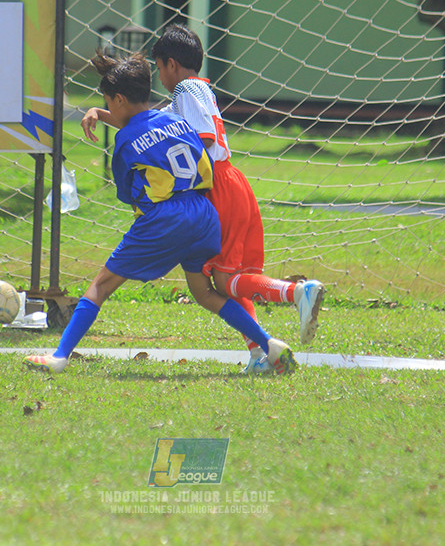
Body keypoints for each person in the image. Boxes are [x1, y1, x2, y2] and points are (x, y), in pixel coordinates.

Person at [25, 51, 297, 375]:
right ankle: (269, 345)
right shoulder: (177, 120)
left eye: (108, 102)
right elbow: (204, 165)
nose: (109, 108)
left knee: (100, 286)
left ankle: (59, 356)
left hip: (165, 218)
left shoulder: (124, 140)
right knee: (204, 293)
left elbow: (127, 193)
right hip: (204, 214)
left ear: (121, 99)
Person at [81, 24, 324, 374]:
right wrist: (103, 113)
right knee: (227, 279)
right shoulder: (195, 90)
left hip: (216, 187)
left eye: (160, 68)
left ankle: (297, 293)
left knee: (224, 283)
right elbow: (149, 126)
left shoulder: (186, 89)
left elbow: (197, 140)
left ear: (171, 65)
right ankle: (260, 352)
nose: (160, 77)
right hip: (228, 182)